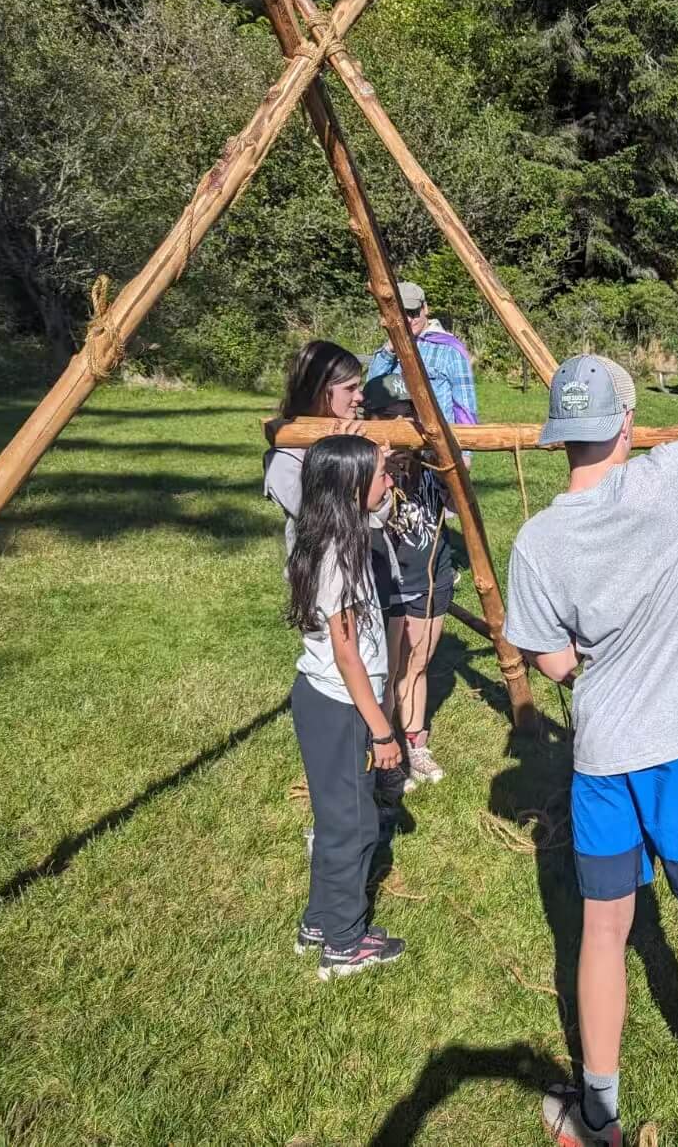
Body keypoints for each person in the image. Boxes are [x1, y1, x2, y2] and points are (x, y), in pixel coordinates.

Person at [504, 355, 678, 1147]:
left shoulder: (537, 541)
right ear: (627, 423)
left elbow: (551, 658)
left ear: (560, 434)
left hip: (604, 752)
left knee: (600, 927)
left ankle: (598, 1109)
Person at [284, 434, 407, 980]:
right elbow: (348, 654)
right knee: (354, 826)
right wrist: (382, 731)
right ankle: (344, 941)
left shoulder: (336, 533)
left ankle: (319, 920)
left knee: (337, 817)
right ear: (352, 486)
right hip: (340, 704)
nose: (390, 482)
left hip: (330, 700)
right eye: (381, 474)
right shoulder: (339, 556)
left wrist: (382, 452)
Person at [362, 372, 458, 789]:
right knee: (387, 669)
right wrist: (382, 467)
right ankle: (384, 751)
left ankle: (415, 741)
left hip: (433, 573)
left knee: (419, 663)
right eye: (390, 416)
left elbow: (458, 502)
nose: (402, 426)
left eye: (409, 415)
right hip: (391, 580)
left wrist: (441, 464)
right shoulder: (367, 469)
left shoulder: (432, 462)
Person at [264, 339, 367, 555]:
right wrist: (349, 460)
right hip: (319, 580)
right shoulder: (284, 460)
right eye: (350, 388)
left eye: (359, 386)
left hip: (366, 574)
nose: (360, 397)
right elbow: (319, 520)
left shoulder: (358, 436)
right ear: (320, 391)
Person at [365, 281, 479, 429]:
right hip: (397, 440)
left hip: (437, 443)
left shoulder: (448, 349)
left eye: (413, 312)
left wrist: (465, 449)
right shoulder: (392, 348)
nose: (408, 320)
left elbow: (465, 404)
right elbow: (372, 388)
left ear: (425, 308)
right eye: (401, 313)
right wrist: (389, 349)